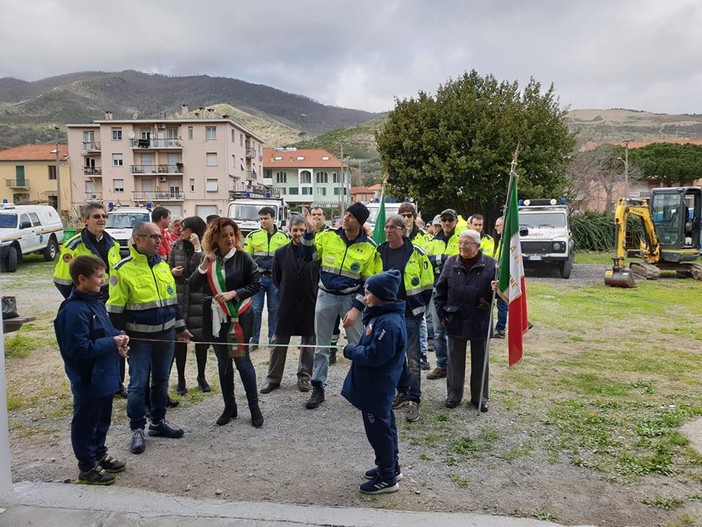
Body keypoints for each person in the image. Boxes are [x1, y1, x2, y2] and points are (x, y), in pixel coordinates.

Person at [107, 221, 191, 455]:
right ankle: (137, 429)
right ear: (137, 239)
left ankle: (157, 422)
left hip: (165, 337)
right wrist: (120, 337)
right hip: (140, 340)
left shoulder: (163, 266)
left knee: (162, 381)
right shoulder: (122, 269)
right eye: (153, 237)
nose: (158, 240)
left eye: (159, 236)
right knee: (137, 385)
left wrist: (180, 327)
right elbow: (115, 311)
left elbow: (171, 302)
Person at [54, 255, 130, 486]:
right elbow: (78, 348)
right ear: (81, 279)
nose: (103, 280)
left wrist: (118, 336)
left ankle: (99, 454)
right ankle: (87, 467)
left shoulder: (95, 302)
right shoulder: (73, 310)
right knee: (86, 420)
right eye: (98, 276)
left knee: (102, 417)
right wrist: (112, 342)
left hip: (104, 374)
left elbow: (103, 331)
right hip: (87, 377)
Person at [301, 202, 382, 410]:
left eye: (351, 216)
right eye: (346, 214)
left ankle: (363, 388)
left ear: (360, 222)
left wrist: (356, 308)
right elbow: (306, 256)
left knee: (359, 346)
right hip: (325, 296)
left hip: (351, 300)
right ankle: (318, 387)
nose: (346, 218)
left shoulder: (370, 248)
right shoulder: (328, 236)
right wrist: (309, 232)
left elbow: (369, 284)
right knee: (322, 345)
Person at [189, 218, 263, 428]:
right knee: (223, 363)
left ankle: (254, 408)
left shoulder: (243, 258)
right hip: (214, 319)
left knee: (242, 362)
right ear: (215, 238)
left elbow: (256, 285)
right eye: (224, 235)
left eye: (232, 234)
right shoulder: (208, 260)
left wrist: (234, 293)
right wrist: (203, 266)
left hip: (238, 318)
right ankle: (229, 407)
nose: (229, 239)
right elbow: (193, 284)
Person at [341, 269, 407, 495]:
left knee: (379, 431)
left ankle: (387, 477)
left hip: (377, 387)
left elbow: (375, 356)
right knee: (385, 426)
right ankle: (390, 466)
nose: (365, 296)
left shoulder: (389, 324)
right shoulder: (380, 316)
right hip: (374, 386)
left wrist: (351, 350)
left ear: (381, 295)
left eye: (368, 293)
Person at [54, 202, 126, 397]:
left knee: (113, 340)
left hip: (109, 302)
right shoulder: (74, 245)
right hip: (87, 303)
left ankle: (117, 384)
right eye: (96, 216)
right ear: (85, 220)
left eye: (104, 216)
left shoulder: (113, 242)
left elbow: (114, 273)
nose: (101, 219)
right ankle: (94, 384)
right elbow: (61, 280)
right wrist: (81, 302)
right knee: (93, 344)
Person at [377, 215, 433, 423]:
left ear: (403, 230)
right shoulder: (379, 251)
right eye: (387, 227)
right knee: (393, 357)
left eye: (393, 227)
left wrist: (418, 307)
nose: (388, 230)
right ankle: (401, 392)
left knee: (412, 359)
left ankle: (414, 399)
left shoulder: (416, 253)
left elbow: (428, 285)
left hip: (409, 314)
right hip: (387, 313)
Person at [434, 229, 495, 412]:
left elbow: (501, 296)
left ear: (477, 246)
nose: (462, 247)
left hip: (480, 320)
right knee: (454, 361)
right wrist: (442, 315)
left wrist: (497, 290)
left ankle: (480, 398)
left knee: (481, 362)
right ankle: (453, 395)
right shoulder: (451, 263)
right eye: (460, 243)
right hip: (455, 319)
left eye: (467, 243)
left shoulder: (492, 265)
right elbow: (440, 291)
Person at [260, 215, 317, 394]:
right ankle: (273, 378)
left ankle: (304, 377)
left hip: (309, 300)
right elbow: (277, 278)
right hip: (286, 300)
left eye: (302, 230)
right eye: (295, 230)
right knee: (279, 339)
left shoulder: (315, 252)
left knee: (308, 340)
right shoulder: (281, 253)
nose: (299, 233)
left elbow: (318, 276)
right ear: (289, 231)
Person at [168, 216, 211, 395]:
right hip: (180, 296)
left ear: (194, 230)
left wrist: (198, 249)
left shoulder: (206, 246)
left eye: (184, 228)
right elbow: (168, 267)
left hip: (198, 298)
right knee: (180, 342)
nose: (181, 231)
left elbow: (205, 269)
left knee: (201, 341)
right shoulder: (176, 246)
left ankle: (201, 377)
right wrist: (172, 271)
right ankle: (181, 380)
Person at [244, 206, 290, 350]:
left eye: (266, 218)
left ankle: (273, 338)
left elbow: (287, 259)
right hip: (258, 279)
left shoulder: (283, 237)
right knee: (256, 309)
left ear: (273, 218)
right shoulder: (252, 236)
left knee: (274, 309)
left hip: (275, 279)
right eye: (261, 218)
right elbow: (247, 258)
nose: (263, 221)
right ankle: (254, 339)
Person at [426, 208, 460, 380]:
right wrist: (445, 258)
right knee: (438, 331)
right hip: (436, 291)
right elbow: (427, 260)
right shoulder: (433, 240)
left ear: (456, 221)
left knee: (454, 330)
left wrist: (439, 260)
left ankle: (455, 366)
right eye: (444, 220)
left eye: (450, 220)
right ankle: (442, 365)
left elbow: (457, 261)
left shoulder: (461, 239)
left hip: (455, 291)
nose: (447, 223)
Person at [397, 202, 431, 370]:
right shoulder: (395, 235)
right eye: (402, 215)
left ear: (414, 217)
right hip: (399, 289)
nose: (406, 218)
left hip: (417, 288)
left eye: (409, 215)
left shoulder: (424, 237)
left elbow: (430, 259)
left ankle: (422, 353)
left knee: (421, 322)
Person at [309, 205, 341, 365]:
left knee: (332, 317)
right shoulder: (305, 232)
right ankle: (314, 346)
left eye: (319, 214)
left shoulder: (331, 234)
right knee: (314, 314)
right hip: (310, 279)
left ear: (324, 216)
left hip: (327, 279)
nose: (316, 217)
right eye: (313, 214)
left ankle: (332, 348)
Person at [493, 216, 507, 338]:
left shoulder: (506, 241)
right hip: (499, 275)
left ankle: (501, 329)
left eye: (498, 225)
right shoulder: (502, 240)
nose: (496, 228)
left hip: (503, 277)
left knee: (503, 303)